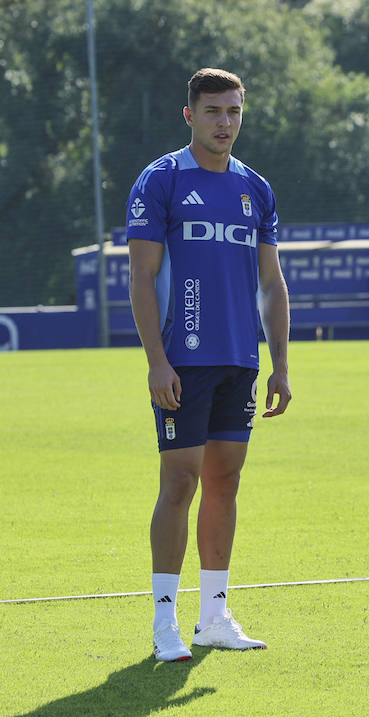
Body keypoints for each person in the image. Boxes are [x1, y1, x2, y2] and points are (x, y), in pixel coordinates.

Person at [125, 68, 292, 663]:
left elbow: (271, 283)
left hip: (240, 362)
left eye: (235, 112)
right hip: (182, 363)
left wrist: (280, 364)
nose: (226, 123)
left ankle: (214, 615)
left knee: (225, 481)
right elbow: (141, 277)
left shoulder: (256, 189)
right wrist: (156, 362)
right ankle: (164, 622)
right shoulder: (161, 181)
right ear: (189, 114)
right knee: (180, 484)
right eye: (214, 111)